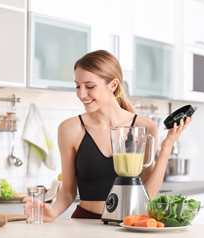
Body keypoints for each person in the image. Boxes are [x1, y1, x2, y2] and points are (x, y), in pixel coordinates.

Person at [23, 50, 192, 222]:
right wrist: (53, 212)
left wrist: (167, 146)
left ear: (113, 85)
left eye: (89, 86)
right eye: (77, 86)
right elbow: (68, 190)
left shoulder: (144, 127)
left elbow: (147, 191)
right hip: (85, 222)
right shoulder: (69, 129)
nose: (81, 94)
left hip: (131, 222)